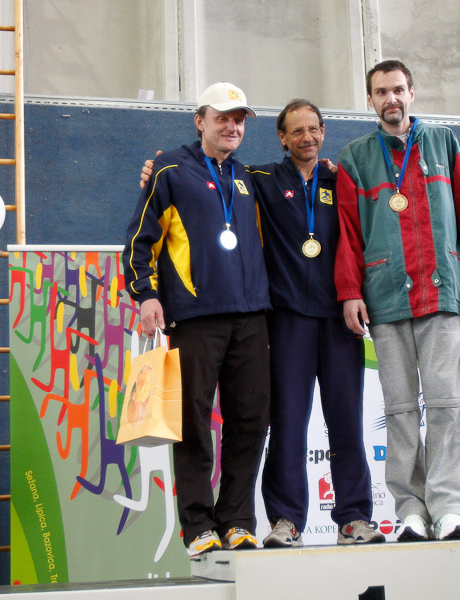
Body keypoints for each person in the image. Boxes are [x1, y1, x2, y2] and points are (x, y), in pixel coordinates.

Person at [333, 60, 460, 542]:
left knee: (446, 405)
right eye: (382, 91)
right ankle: (410, 511)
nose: (392, 99)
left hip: (441, 292)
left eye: (399, 89)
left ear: (412, 93)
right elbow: (347, 233)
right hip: (385, 298)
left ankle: (447, 510)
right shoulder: (354, 157)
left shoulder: (444, 143)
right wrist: (350, 292)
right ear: (370, 100)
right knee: (400, 410)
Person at [122, 82, 272, 557]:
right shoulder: (170, 170)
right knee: (192, 422)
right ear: (199, 121)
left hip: (251, 317)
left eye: (239, 120)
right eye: (222, 117)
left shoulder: (248, 176)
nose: (232, 127)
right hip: (195, 317)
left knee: (250, 421)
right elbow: (140, 240)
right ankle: (198, 525)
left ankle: (238, 521)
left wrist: (327, 169)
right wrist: (146, 294)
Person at [249, 100, 382, 547]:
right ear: (282, 138)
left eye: (314, 129)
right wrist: (158, 167)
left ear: (324, 132)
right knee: (288, 425)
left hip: (340, 318)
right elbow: (213, 176)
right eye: (297, 131)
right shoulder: (263, 179)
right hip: (288, 320)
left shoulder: (341, 179)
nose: (307, 137)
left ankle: (354, 518)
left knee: (346, 423)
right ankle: (286, 522)